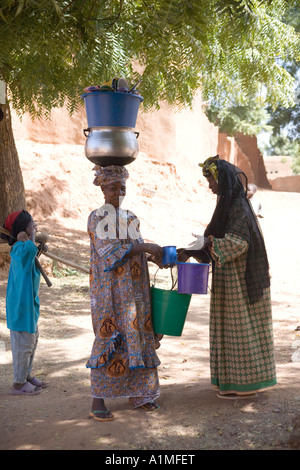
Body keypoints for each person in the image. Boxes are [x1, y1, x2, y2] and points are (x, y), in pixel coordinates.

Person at [178, 155, 277, 399]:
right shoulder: (227, 206)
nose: (210, 185)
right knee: (229, 330)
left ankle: (247, 385)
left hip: (241, 282)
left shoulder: (239, 209)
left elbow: (238, 243)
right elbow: (219, 241)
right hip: (228, 281)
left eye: (211, 179)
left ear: (223, 180)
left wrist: (209, 242)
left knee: (241, 331)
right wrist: (193, 250)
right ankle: (231, 382)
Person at [87, 165, 163, 421]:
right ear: (102, 188)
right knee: (109, 337)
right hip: (110, 292)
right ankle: (98, 400)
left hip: (135, 291)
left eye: (122, 188)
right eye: (113, 188)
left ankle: (141, 394)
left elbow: (134, 249)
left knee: (138, 335)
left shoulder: (130, 217)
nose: (118, 193)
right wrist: (146, 247)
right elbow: (109, 253)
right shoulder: (97, 217)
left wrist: (154, 257)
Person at [3, 210, 47, 395]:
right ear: (23, 228)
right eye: (31, 223)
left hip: (28, 305)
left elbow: (30, 263)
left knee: (31, 341)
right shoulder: (18, 249)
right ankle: (18, 384)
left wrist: (39, 252)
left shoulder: (25, 248)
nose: (34, 225)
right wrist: (33, 237)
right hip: (20, 306)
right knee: (23, 345)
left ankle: (26, 376)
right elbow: (26, 254)